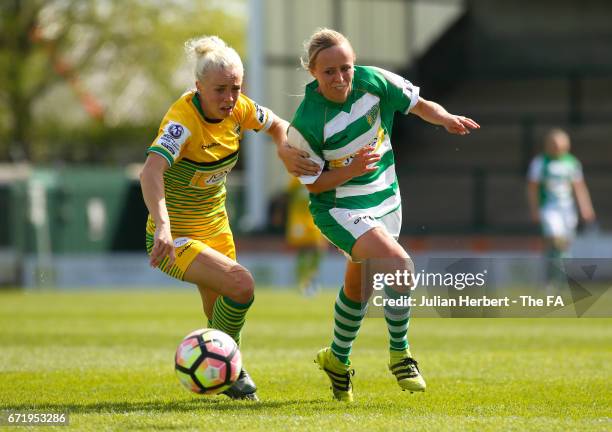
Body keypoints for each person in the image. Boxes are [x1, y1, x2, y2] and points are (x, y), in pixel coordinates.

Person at [287, 28, 480, 402]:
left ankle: (337, 359)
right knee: (400, 265)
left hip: (385, 201)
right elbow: (314, 184)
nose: (340, 78)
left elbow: (419, 103)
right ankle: (400, 355)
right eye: (329, 72)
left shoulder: (374, 81)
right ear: (312, 72)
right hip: (339, 208)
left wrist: (445, 118)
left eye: (345, 68)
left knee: (360, 289)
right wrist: (352, 170)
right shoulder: (306, 123)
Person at [139, 35, 318, 401]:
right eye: (220, 90)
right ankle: (233, 370)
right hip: (176, 238)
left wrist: (284, 151)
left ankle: (224, 372)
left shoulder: (239, 110)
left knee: (220, 313)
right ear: (198, 87)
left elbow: (277, 124)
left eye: (235, 88)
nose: (229, 98)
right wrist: (163, 226)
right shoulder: (182, 122)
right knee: (242, 285)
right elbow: (150, 171)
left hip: (216, 229)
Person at [527, 128, 596, 287]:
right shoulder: (540, 163)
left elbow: (579, 187)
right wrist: (535, 209)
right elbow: (532, 188)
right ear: (548, 145)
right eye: (554, 144)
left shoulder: (572, 163)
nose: (557, 148)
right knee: (555, 240)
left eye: (560, 145)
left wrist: (586, 208)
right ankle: (550, 281)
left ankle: (558, 279)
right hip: (549, 208)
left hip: (567, 209)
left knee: (564, 246)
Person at [286, 176, 328, 295]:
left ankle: (311, 277)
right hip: (298, 220)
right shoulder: (295, 178)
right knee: (302, 250)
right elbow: (287, 196)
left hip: (313, 218)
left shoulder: (319, 175)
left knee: (320, 248)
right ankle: (302, 282)